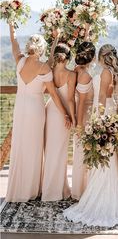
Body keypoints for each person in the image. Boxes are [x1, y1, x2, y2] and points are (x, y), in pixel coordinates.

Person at [63, 44, 118, 227]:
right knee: (106, 155)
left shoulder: (105, 72)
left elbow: (103, 97)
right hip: (108, 111)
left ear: (101, 56)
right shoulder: (112, 72)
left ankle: (103, 198)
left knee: (105, 155)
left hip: (103, 113)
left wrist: (99, 121)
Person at [6, 25, 71, 202]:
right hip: (35, 110)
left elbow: (13, 41)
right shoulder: (44, 68)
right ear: (42, 49)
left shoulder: (19, 60)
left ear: (29, 47)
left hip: (20, 109)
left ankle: (18, 189)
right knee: (34, 148)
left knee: (20, 145)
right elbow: (55, 96)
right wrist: (65, 114)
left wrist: (11, 25)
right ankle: (31, 190)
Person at [41, 42, 76, 201]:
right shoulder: (71, 75)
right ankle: (58, 190)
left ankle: (50, 189)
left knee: (50, 151)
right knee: (61, 151)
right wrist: (72, 117)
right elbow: (70, 100)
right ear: (68, 58)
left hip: (50, 111)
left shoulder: (49, 70)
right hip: (63, 115)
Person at [71, 41, 96, 200]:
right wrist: (79, 125)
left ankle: (80, 188)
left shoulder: (76, 70)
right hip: (84, 116)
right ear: (92, 58)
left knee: (81, 152)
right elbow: (80, 102)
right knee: (83, 152)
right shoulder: (85, 75)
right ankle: (82, 190)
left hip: (83, 115)